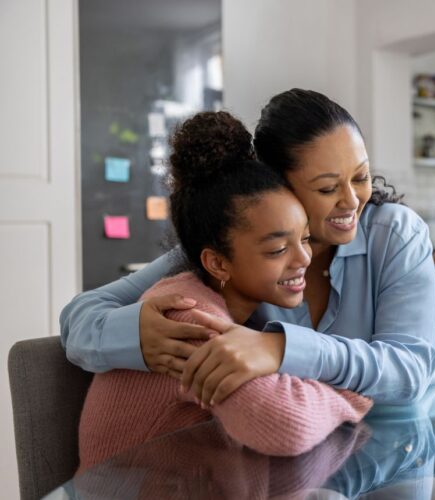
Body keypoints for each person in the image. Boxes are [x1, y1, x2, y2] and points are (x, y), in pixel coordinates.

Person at [60, 89, 435, 406]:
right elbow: (80, 316)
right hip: (332, 450)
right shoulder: (234, 251)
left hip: (434, 425)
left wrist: (279, 348)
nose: (352, 200)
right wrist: (138, 336)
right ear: (280, 186)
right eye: (327, 187)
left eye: (360, 177)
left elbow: (410, 371)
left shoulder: (393, 233)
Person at [76, 111, 372, 472]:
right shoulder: (188, 319)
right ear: (217, 263)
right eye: (278, 249)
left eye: (305, 239)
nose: (304, 259)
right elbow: (286, 428)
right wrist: (353, 395)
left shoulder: (225, 308)